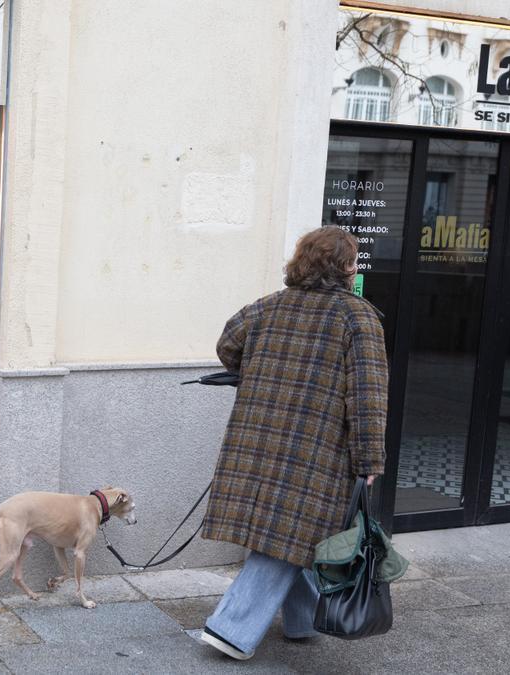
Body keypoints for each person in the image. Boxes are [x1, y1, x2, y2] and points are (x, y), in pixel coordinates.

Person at [196, 225, 389, 660]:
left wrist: (263, 369)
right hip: (316, 450)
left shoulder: (268, 307)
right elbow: (368, 397)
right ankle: (231, 629)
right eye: (352, 261)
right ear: (344, 267)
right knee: (288, 532)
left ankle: (304, 619)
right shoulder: (357, 317)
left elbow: (228, 345)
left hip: (257, 438)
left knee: (287, 529)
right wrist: (368, 460)